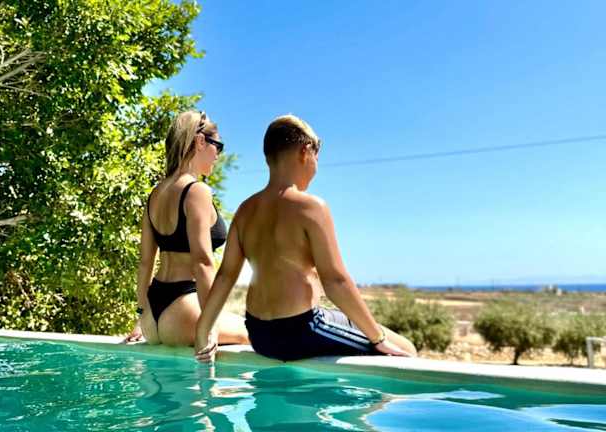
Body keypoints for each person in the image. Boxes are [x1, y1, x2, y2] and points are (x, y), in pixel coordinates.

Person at [194, 114, 417, 362]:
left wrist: (203, 330)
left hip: (259, 333)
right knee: (405, 349)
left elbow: (225, 276)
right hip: (301, 331)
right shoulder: (311, 208)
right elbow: (336, 282)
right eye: (317, 154)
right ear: (305, 150)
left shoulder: (245, 211)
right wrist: (378, 339)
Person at [124, 111, 249, 347]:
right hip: (183, 310)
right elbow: (203, 263)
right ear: (200, 141)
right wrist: (209, 327)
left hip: (152, 316)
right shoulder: (196, 191)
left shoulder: (155, 194)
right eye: (217, 146)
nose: (218, 155)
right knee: (253, 333)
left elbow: (145, 263)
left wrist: (141, 317)